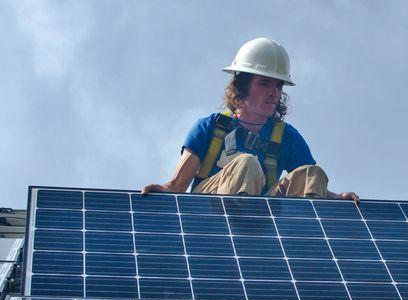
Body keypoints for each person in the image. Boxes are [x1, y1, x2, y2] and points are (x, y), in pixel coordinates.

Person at [142, 37, 359, 202]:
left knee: (312, 173)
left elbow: (310, 182)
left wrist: (337, 199)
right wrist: (163, 191)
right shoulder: (210, 127)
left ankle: (302, 241)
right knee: (247, 163)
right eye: (264, 83)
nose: (274, 92)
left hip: (265, 220)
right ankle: (240, 236)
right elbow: (178, 184)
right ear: (242, 85)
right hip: (209, 211)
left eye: (278, 85)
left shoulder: (286, 136)